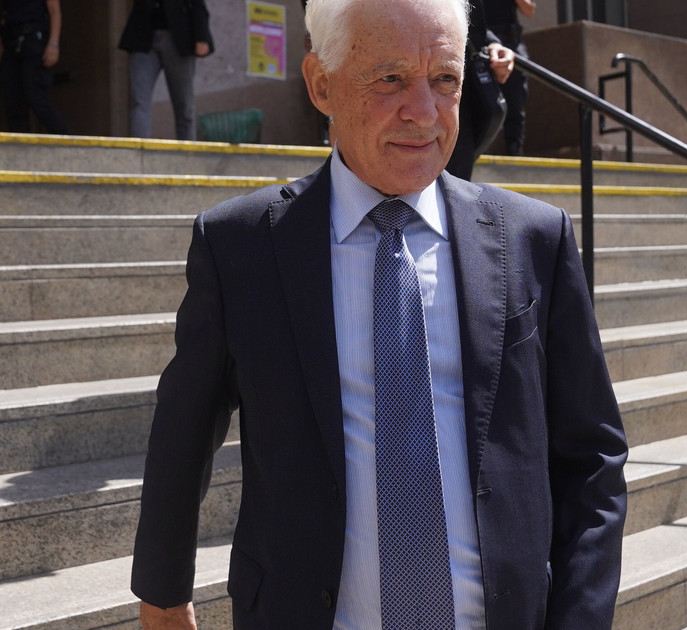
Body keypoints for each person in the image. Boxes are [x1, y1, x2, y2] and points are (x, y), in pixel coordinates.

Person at [130, 0, 627, 627]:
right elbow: (183, 431)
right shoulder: (242, 245)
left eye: (444, 79)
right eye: (390, 79)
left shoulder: (534, 238)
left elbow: (591, 459)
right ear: (321, 84)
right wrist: (163, 594)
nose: (424, 112)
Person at [119, 0, 214, 140]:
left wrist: (201, 37)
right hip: (143, 36)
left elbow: (198, 4)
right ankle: (139, 149)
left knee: (184, 105)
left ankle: (187, 150)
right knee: (139, 100)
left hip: (180, 38)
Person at [444, 0, 514, 181]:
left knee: (454, 182)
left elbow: (473, 23)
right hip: (396, 88)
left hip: (461, 95)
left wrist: (493, 45)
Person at [0, 0, 65, 134]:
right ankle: (18, 144)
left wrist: (53, 44)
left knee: (36, 96)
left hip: (33, 40)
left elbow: (54, 11)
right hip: (10, 43)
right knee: (12, 101)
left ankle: (64, 139)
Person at [483, 0, 534, 156]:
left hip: (511, 43)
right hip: (481, 45)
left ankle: (515, 153)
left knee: (515, 104)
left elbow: (529, 10)